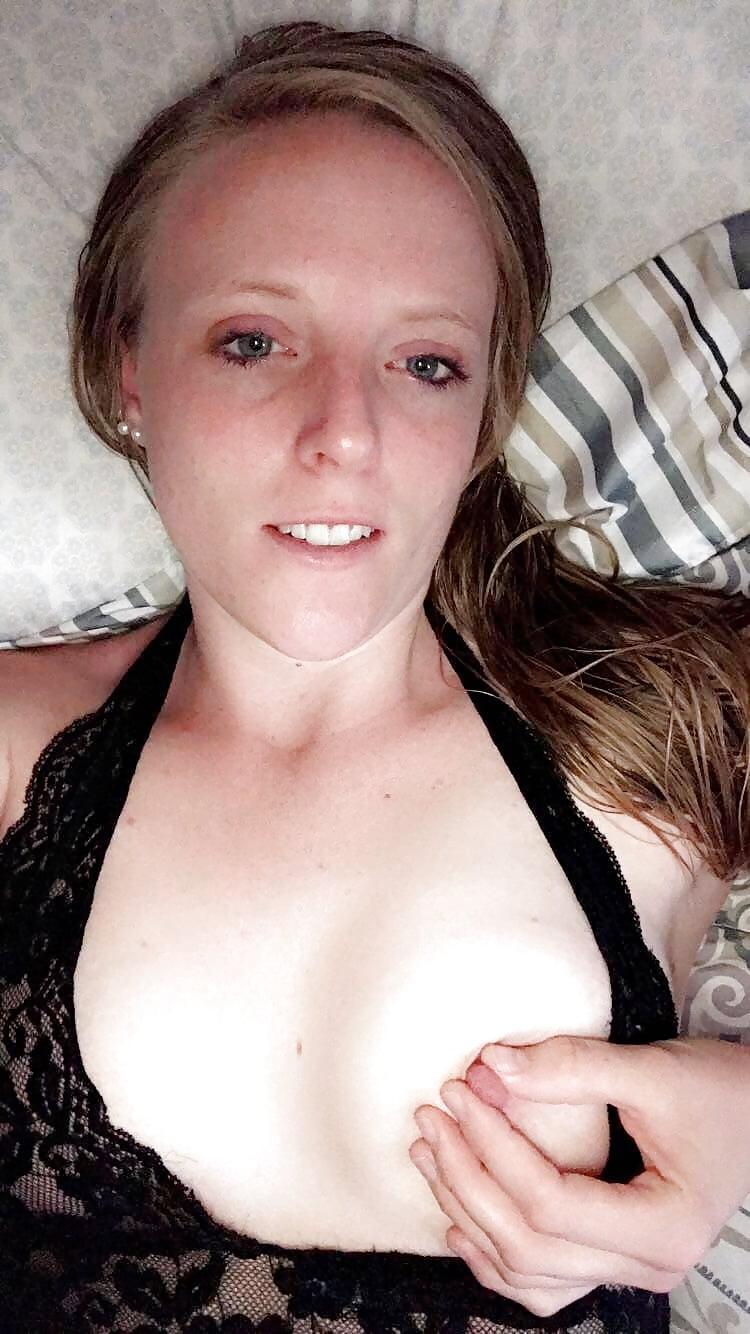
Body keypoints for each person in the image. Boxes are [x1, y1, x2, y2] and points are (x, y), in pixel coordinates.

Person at [0, 17, 748, 1333]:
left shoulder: (662, 712)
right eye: (253, 341)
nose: (343, 432)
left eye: (425, 364)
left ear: (481, 413)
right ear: (129, 372)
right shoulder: (15, 740)